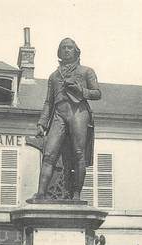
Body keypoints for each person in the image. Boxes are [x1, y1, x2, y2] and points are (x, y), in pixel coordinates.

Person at [28, 38, 101, 202]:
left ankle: (76, 194)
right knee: (49, 154)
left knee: (78, 153)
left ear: (76, 51)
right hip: (59, 113)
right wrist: (41, 123)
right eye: (63, 48)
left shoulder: (86, 71)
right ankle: (40, 193)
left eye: (70, 48)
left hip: (78, 112)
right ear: (59, 52)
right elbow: (48, 101)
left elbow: (97, 93)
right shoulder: (54, 76)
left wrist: (81, 91)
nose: (66, 50)